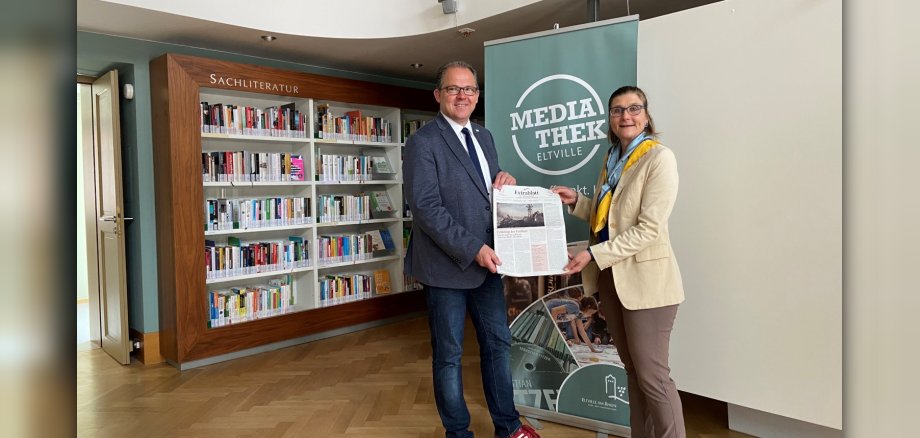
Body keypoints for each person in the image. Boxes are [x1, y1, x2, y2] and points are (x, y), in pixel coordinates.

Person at [403, 61, 539, 438]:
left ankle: (508, 426)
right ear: (438, 95)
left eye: (470, 89)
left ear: (477, 95)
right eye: (453, 89)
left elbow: (482, 193)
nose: (463, 95)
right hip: (447, 266)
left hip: (488, 263)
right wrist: (473, 247)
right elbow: (426, 207)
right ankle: (458, 433)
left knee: (497, 345)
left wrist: (504, 181)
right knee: (449, 355)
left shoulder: (484, 136)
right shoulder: (422, 142)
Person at [552, 85, 686, 438]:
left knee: (654, 378)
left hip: (648, 285)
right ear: (610, 119)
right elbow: (609, 220)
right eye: (617, 110)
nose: (625, 116)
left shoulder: (659, 158)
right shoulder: (612, 158)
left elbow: (649, 229)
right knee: (633, 373)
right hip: (612, 280)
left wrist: (592, 254)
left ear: (646, 115)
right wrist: (577, 201)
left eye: (633, 108)